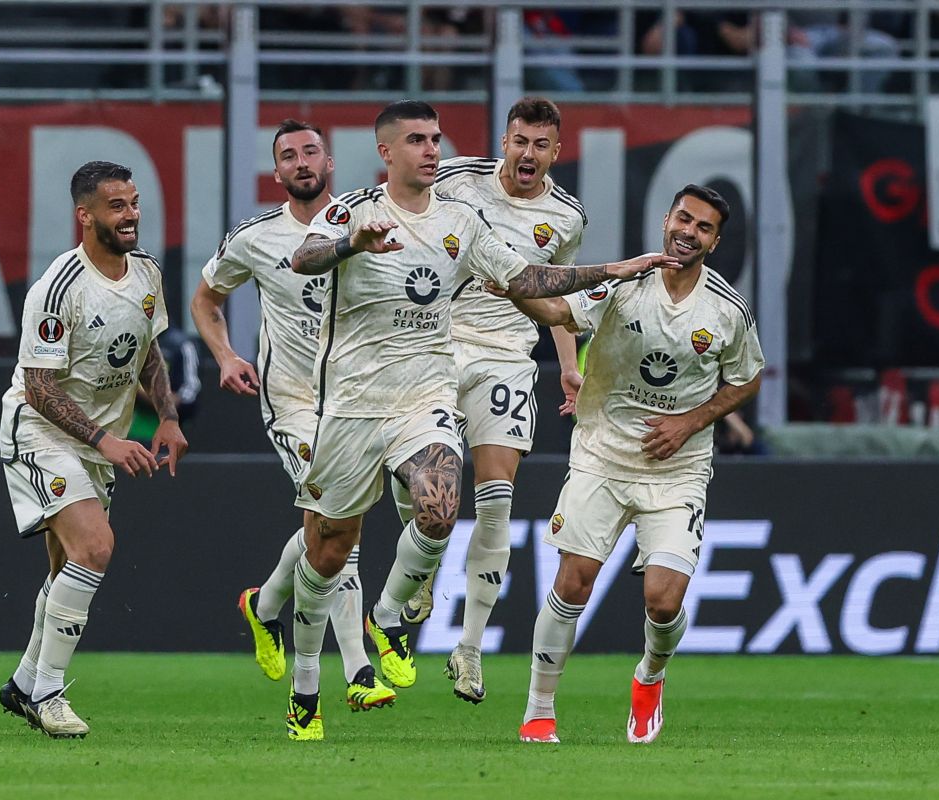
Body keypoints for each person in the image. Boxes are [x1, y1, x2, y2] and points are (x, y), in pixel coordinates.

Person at [284, 99, 679, 740]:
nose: (431, 150)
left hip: (434, 387)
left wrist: (610, 272)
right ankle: (306, 683)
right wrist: (351, 243)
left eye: (435, 138)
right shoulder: (355, 208)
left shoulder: (465, 221)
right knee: (327, 548)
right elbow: (302, 259)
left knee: (446, 503)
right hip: (352, 401)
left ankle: (394, 618)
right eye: (417, 140)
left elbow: (529, 279)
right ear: (387, 152)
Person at [498, 184, 764, 744]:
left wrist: (690, 422)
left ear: (714, 242)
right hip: (602, 453)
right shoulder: (622, 283)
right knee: (573, 582)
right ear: (666, 219)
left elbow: (747, 378)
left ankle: (650, 677)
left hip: (677, 469)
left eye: (704, 227)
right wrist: (509, 280)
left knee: (664, 600)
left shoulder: (727, 309)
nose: (689, 232)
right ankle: (539, 708)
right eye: (684, 219)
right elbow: (556, 311)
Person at [189, 119, 396, 717]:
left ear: (329, 163)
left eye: (310, 151)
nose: (301, 162)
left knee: (331, 528)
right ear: (276, 171)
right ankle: (358, 670)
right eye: (288, 155)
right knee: (339, 521)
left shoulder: (367, 221)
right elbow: (206, 299)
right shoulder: (255, 236)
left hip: (355, 400)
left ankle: (263, 605)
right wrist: (226, 356)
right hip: (293, 401)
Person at [398, 96, 587, 705]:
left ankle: (470, 648)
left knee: (497, 500)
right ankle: (423, 567)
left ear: (556, 152)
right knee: (417, 474)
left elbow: (558, 295)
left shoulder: (566, 216)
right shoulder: (457, 178)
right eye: (519, 141)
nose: (528, 154)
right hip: (440, 343)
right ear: (504, 141)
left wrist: (569, 367)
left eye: (540, 145)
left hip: (507, 355)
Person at [0, 161, 188, 738]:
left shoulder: (147, 271)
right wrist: (107, 439)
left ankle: (24, 683)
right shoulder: (59, 287)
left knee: (68, 567)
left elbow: (148, 350)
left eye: (134, 203)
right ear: (85, 215)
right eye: (117, 206)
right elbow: (39, 387)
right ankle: (48, 692)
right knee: (96, 546)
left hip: (99, 443)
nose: (131, 215)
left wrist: (168, 418)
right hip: (41, 433)